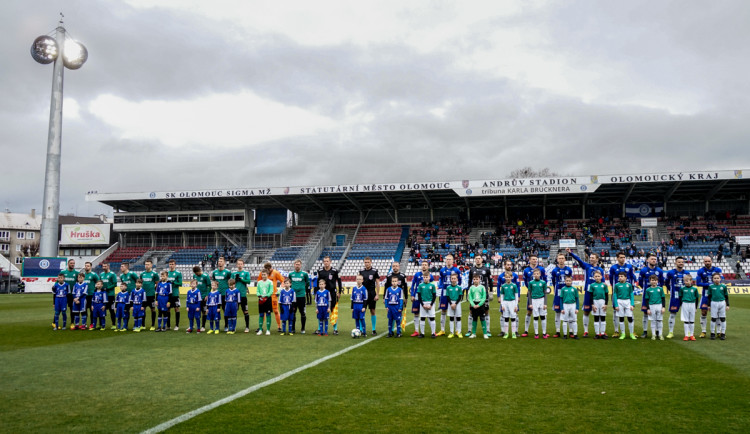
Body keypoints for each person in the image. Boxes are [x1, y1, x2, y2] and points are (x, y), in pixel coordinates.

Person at [567, 248, 603, 338]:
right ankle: (586, 331)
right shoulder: (586, 266)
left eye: (593, 258)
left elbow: (602, 282)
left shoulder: (600, 270)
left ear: (597, 259)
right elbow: (578, 259)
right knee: (586, 311)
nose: (591, 259)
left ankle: (600, 332)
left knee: (599, 313)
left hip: (598, 293)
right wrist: (571, 253)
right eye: (590, 257)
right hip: (588, 291)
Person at [608, 251, 636, 338]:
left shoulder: (629, 267)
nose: (622, 259)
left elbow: (632, 277)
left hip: (627, 291)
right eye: (621, 257)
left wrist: (632, 286)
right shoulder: (613, 267)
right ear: (617, 258)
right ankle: (616, 330)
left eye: (624, 257)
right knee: (616, 311)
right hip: (617, 292)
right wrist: (614, 289)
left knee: (630, 311)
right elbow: (610, 279)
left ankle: (632, 331)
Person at [637, 254, 665, 338]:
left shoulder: (659, 270)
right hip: (647, 294)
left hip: (657, 295)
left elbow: (662, 282)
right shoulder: (643, 270)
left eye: (655, 259)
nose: (654, 260)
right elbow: (641, 282)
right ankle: (645, 331)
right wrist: (647, 289)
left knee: (657, 313)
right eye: (652, 259)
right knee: (646, 313)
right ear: (647, 260)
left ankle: (657, 331)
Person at [696, 256, 722, 338]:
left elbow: (722, 280)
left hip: (716, 294)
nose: (707, 263)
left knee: (717, 313)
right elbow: (698, 283)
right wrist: (710, 285)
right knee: (704, 312)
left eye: (709, 261)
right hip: (706, 294)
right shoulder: (701, 271)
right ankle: (703, 331)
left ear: (711, 261)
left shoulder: (717, 270)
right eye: (706, 261)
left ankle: (718, 331)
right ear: (703, 262)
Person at [467, 255, 493, 337]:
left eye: (479, 259)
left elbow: (490, 281)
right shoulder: (472, 269)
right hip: (474, 294)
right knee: (471, 311)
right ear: (475, 260)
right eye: (476, 259)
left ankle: (487, 330)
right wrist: (468, 292)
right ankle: (469, 330)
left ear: (481, 259)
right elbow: (469, 281)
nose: (478, 260)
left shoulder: (486, 269)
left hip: (483, 294)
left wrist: (491, 291)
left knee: (486, 311)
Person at [437, 254, 461, 336]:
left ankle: (456, 331)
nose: (448, 261)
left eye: (450, 259)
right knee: (443, 310)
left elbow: (460, 281)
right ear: (445, 260)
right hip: (444, 292)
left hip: (453, 292)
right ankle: (442, 330)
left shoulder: (457, 270)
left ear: (453, 260)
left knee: (454, 311)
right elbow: (440, 279)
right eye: (447, 259)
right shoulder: (442, 270)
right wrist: (440, 286)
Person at [317, 257, 343, 335]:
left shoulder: (335, 271)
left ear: (330, 262)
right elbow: (318, 282)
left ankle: (335, 328)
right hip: (322, 293)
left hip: (332, 293)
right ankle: (319, 328)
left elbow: (339, 281)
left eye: (327, 261)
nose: (326, 262)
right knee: (321, 310)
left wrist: (339, 292)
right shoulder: (320, 271)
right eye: (324, 261)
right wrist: (317, 292)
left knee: (333, 310)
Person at [550, 253, 572, 338]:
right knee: (557, 312)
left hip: (567, 294)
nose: (561, 260)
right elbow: (553, 281)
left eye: (563, 258)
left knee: (569, 312)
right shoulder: (554, 270)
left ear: (565, 259)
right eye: (560, 258)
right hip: (558, 294)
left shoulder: (569, 269)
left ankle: (570, 331)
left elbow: (570, 280)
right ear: (557, 259)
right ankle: (558, 331)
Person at [665, 256, 688, 339]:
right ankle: (671, 332)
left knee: (686, 315)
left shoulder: (687, 273)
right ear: (675, 263)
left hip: (685, 297)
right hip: (675, 296)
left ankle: (688, 332)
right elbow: (666, 283)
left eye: (682, 262)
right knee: (672, 314)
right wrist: (671, 290)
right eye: (679, 262)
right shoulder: (670, 272)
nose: (681, 263)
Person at [259, 262, 285, 332]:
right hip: (263, 296)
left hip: (273, 295)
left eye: (268, 269)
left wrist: (279, 290)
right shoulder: (262, 273)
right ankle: (261, 327)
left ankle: (279, 326)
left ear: (271, 268)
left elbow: (283, 281)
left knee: (276, 311)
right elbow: (259, 283)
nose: (267, 271)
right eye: (266, 269)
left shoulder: (276, 273)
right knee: (262, 311)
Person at [409, 260, 433, 337]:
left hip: (426, 298)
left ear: (428, 266)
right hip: (417, 296)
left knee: (429, 314)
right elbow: (413, 285)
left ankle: (433, 331)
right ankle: (416, 331)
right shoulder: (417, 275)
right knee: (416, 313)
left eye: (425, 265)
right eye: (422, 265)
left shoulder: (431, 276)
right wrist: (412, 295)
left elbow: (432, 287)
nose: (424, 266)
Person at [497, 259, 520, 337]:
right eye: (508, 264)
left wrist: (519, 296)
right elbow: (498, 287)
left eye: (510, 264)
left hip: (513, 299)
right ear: (504, 265)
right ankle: (503, 331)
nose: (509, 266)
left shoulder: (515, 275)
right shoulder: (500, 276)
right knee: (503, 314)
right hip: (505, 299)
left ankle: (515, 331)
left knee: (515, 313)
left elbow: (518, 287)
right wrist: (498, 296)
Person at [358, 257, 381, 336]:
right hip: (363, 293)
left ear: (371, 262)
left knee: (372, 310)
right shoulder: (361, 272)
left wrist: (377, 294)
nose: (366, 264)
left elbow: (378, 283)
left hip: (371, 293)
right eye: (365, 262)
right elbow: (358, 282)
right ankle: (361, 329)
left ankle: (373, 329)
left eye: (368, 262)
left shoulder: (374, 271)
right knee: (362, 311)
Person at [288, 259, 311, 334]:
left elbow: (307, 283)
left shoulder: (304, 274)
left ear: (301, 265)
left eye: (298, 264)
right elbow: (289, 282)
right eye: (296, 264)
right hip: (293, 297)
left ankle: (303, 328)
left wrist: (303, 289)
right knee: (293, 312)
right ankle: (293, 328)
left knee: (302, 313)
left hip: (301, 296)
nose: (297, 265)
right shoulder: (291, 274)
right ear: (294, 265)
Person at [613, 271, 637, 340]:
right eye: (619, 276)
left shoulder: (629, 285)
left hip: (627, 302)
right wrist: (616, 305)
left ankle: (631, 333)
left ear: (625, 277)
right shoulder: (617, 285)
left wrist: (632, 304)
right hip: (619, 301)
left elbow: (631, 294)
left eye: (622, 276)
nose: (620, 278)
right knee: (621, 318)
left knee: (630, 318)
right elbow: (615, 295)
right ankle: (623, 334)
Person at [386, 261, 408, 332]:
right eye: (394, 266)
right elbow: (386, 287)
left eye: (396, 266)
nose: (395, 267)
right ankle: (391, 330)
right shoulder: (389, 276)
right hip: (390, 300)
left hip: (399, 298)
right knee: (391, 315)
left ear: (399, 267)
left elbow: (405, 287)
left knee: (399, 313)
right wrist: (384, 297)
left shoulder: (402, 276)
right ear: (392, 267)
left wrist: (406, 297)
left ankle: (399, 330)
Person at [527, 268, 549, 339]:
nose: (536, 275)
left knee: (543, 317)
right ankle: (536, 333)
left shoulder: (543, 282)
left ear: (540, 274)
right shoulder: (531, 283)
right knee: (535, 317)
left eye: (537, 274)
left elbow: (545, 293)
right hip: (534, 301)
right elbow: (529, 293)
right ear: (533, 275)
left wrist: (545, 303)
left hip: (542, 300)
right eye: (535, 274)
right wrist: (530, 303)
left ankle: (544, 333)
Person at [231, 259, 252, 333]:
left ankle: (247, 327)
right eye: (238, 264)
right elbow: (230, 283)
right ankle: (233, 327)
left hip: (243, 295)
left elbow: (248, 281)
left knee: (245, 311)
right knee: (234, 311)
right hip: (235, 295)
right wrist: (235, 280)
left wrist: (241, 279)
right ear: (236, 265)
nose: (239, 265)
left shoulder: (246, 273)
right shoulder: (233, 273)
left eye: (241, 264)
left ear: (243, 265)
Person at [211, 257, 232, 331]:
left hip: (224, 294)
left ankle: (226, 326)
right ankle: (216, 326)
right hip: (216, 294)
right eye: (218, 261)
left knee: (225, 310)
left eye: (221, 261)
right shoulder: (214, 272)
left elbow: (231, 281)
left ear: (224, 263)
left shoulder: (228, 272)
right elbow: (213, 280)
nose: (219, 262)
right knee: (215, 310)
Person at [707, 272, 729, 340]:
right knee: (713, 318)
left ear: (720, 279)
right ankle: (712, 333)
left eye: (717, 278)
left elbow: (726, 296)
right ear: (712, 279)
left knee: (723, 318)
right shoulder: (711, 287)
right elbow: (709, 296)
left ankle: (723, 333)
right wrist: (708, 305)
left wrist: (727, 305)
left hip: (722, 303)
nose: (716, 279)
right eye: (715, 278)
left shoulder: (723, 286)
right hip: (714, 303)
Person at [588, 270, 609, 339]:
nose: (597, 277)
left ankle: (602, 333)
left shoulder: (604, 285)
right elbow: (590, 295)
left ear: (601, 277)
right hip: (595, 302)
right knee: (596, 318)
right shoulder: (592, 285)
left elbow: (606, 295)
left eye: (598, 276)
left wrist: (606, 304)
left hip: (602, 302)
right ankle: (597, 334)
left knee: (603, 318)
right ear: (593, 277)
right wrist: (592, 304)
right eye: (596, 276)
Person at [644, 275, 666, 340]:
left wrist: (663, 307)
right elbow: (647, 300)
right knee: (653, 321)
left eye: (655, 280)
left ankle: (660, 334)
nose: (654, 282)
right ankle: (653, 335)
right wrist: (648, 308)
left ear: (657, 281)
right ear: (650, 281)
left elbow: (663, 298)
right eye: (652, 280)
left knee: (659, 320)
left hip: (659, 305)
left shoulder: (660, 289)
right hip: (651, 306)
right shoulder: (648, 290)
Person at [140, 260, 159, 331]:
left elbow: (157, 284)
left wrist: (153, 290)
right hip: (143, 295)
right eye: (145, 264)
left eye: (148, 264)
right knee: (142, 309)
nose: (146, 266)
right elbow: (140, 283)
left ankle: (153, 325)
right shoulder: (142, 274)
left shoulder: (154, 274)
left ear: (151, 265)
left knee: (153, 309)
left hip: (151, 295)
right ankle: (143, 325)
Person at [678, 274, 699, 341]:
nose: (686, 282)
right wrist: (681, 306)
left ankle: (692, 335)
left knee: (692, 321)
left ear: (691, 281)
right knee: (686, 320)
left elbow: (697, 299)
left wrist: (696, 307)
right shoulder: (682, 289)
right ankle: (686, 335)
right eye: (685, 281)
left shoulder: (694, 289)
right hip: (685, 304)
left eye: (687, 280)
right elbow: (680, 298)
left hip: (692, 304)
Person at [416, 272, 437, 338]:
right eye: (424, 277)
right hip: (423, 304)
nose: (425, 278)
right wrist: (422, 304)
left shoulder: (432, 285)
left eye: (426, 277)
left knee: (432, 318)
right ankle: (422, 333)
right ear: (423, 278)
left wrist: (431, 304)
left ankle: (433, 333)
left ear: (429, 277)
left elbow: (434, 296)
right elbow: (419, 296)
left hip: (430, 303)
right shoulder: (420, 285)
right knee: (422, 318)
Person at [467, 274, 489, 339]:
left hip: (481, 305)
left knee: (482, 318)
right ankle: (473, 333)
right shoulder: (471, 288)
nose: (475, 280)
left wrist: (479, 304)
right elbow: (470, 297)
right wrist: (473, 304)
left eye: (477, 279)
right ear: (472, 280)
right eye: (474, 279)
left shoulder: (482, 287)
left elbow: (484, 297)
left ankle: (485, 333)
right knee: (474, 319)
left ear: (479, 279)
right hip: (474, 304)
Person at [99, 262, 119, 329]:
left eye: (105, 266)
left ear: (108, 266)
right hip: (102, 295)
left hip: (110, 295)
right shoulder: (101, 274)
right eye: (103, 266)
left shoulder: (112, 274)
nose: (104, 267)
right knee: (101, 309)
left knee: (111, 310)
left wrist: (107, 288)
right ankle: (101, 324)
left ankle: (113, 324)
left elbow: (115, 284)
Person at [192, 266, 212, 332]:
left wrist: (207, 294)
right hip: (196, 297)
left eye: (197, 273)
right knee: (196, 311)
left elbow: (209, 286)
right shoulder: (194, 276)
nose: (196, 274)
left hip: (203, 296)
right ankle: (195, 325)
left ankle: (203, 326)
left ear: (199, 270)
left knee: (204, 311)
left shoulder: (206, 276)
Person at [119, 263, 138, 332]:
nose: (121, 267)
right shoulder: (121, 276)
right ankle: (125, 325)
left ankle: (136, 325)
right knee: (126, 311)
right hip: (126, 296)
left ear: (126, 267)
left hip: (133, 296)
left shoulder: (132, 274)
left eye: (122, 266)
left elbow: (138, 281)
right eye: (121, 266)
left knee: (135, 310)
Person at [560, 275, 579, 339]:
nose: (568, 282)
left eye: (569, 281)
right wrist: (562, 308)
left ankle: (575, 334)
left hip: (573, 305)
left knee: (574, 320)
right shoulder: (563, 289)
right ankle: (565, 334)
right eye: (567, 281)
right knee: (565, 320)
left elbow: (577, 299)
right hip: (565, 305)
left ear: (571, 281)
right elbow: (561, 299)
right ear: (565, 281)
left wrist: (577, 308)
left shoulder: (574, 289)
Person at [166, 259, 183, 331]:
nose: (171, 265)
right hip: (167, 294)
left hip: (175, 294)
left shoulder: (178, 273)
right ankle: (168, 326)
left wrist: (173, 283)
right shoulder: (166, 273)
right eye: (170, 264)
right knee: (168, 309)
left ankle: (177, 325)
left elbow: (180, 283)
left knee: (176, 309)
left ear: (175, 265)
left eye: (172, 264)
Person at [445, 273, 463, 338]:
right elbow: (447, 296)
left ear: (457, 279)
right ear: (450, 279)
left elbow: (460, 296)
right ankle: (451, 332)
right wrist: (451, 304)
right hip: (450, 303)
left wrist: (455, 303)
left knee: (458, 318)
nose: (453, 280)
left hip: (457, 303)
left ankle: (459, 332)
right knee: (451, 318)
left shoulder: (459, 287)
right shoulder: (448, 287)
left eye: (454, 278)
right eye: (452, 278)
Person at [82, 262, 99, 330]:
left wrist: (95, 291)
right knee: (84, 310)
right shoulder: (83, 275)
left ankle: (92, 323)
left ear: (91, 267)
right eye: (85, 266)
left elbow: (98, 283)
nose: (86, 267)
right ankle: (84, 324)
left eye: (88, 266)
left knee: (92, 310)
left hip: (91, 295)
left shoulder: (94, 275)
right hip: (84, 295)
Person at [256, 270, 274, 335]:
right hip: (261, 300)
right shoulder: (259, 282)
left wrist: (266, 297)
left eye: (265, 274)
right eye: (262, 274)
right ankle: (260, 329)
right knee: (261, 314)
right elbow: (257, 291)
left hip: (268, 300)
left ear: (267, 275)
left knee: (268, 314)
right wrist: (260, 296)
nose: (263, 276)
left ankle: (268, 330)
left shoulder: (270, 282)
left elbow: (271, 291)